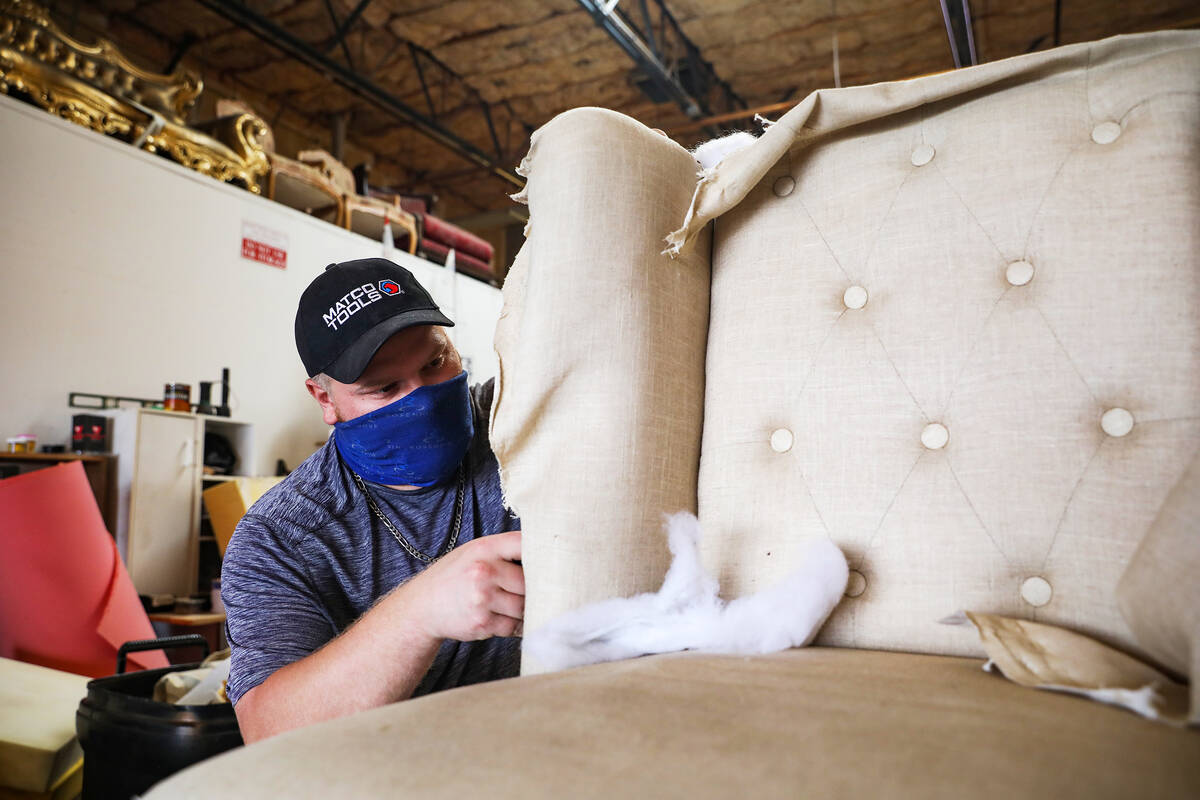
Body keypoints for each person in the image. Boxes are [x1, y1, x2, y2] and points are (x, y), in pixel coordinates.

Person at [221, 258, 523, 743]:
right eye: (384, 388)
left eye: (434, 362)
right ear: (324, 399)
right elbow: (269, 730)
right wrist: (420, 612)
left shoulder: (516, 426)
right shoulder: (282, 536)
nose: (422, 397)